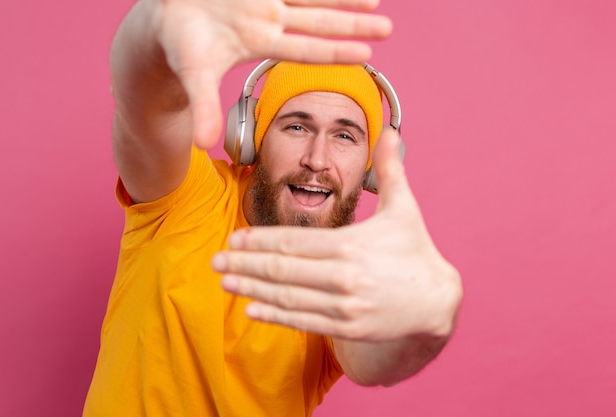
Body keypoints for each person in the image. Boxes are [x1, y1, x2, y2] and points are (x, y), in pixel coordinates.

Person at [83, 0, 463, 416]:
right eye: (297, 126)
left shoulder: (344, 276)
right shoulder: (186, 196)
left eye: (345, 136)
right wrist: (154, 27)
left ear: (370, 168)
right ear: (251, 137)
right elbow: (146, 108)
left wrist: (423, 323)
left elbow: (372, 359)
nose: (317, 159)